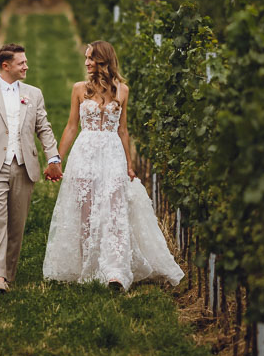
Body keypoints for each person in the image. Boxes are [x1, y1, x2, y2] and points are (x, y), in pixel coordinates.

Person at [42, 40, 184, 291]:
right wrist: (56, 159)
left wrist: (129, 164)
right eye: (86, 58)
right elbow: (72, 126)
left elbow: (123, 130)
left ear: (103, 60)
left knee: (114, 209)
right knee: (86, 210)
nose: (86, 62)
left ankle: (115, 271)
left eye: (90, 58)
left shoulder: (123, 91)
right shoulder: (79, 89)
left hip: (112, 154)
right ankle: (89, 265)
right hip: (85, 153)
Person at [0, 43, 63, 295]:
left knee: (17, 224)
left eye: (26, 62)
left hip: (23, 166)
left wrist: (53, 157)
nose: (26, 66)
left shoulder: (34, 94)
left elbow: (44, 128)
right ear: (6, 66)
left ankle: (9, 273)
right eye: (22, 63)